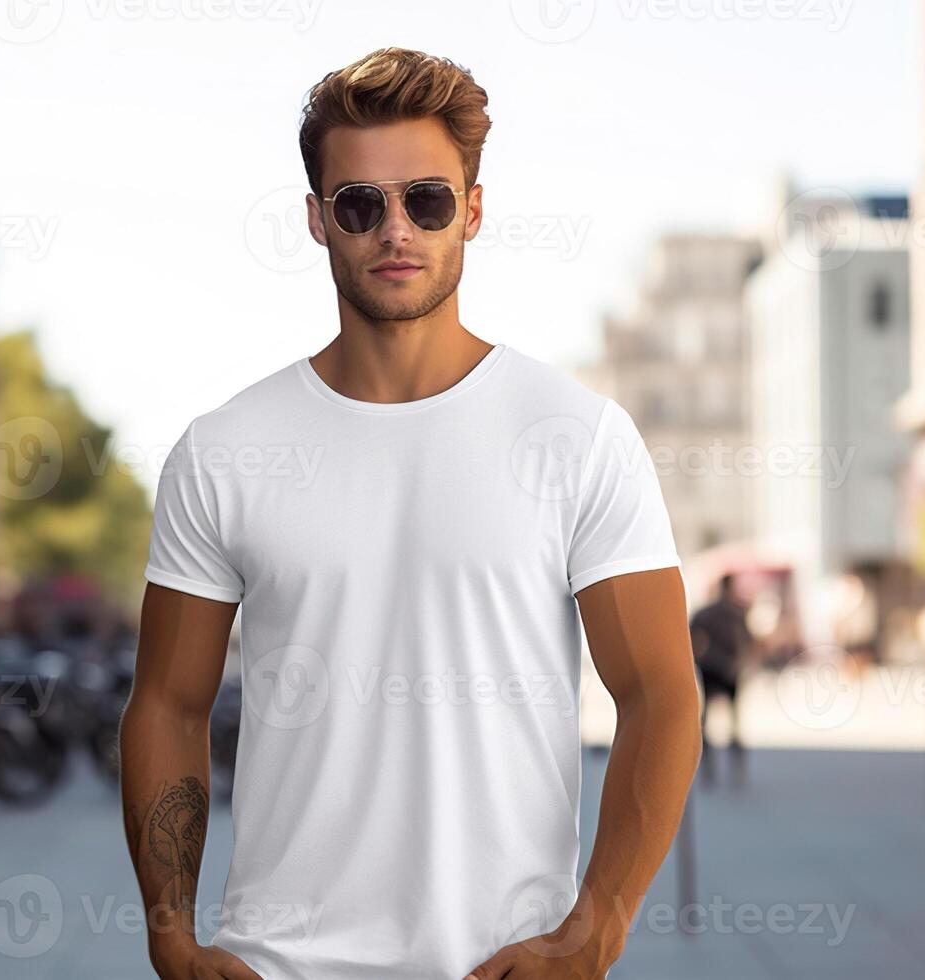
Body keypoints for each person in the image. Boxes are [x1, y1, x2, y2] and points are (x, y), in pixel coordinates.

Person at [120, 48, 700, 980]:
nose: (395, 229)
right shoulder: (225, 448)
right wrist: (170, 936)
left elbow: (660, 696)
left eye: (426, 200)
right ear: (317, 221)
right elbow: (169, 702)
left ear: (471, 209)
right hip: (279, 966)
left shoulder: (577, 436)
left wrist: (595, 931)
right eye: (359, 205)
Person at [690, 573, 754, 783]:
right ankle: (723, 768)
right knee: (727, 720)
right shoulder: (735, 613)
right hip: (724, 669)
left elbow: (690, 640)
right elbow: (748, 642)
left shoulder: (711, 613)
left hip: (715, 668)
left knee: (711, 719)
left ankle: (712, 768)